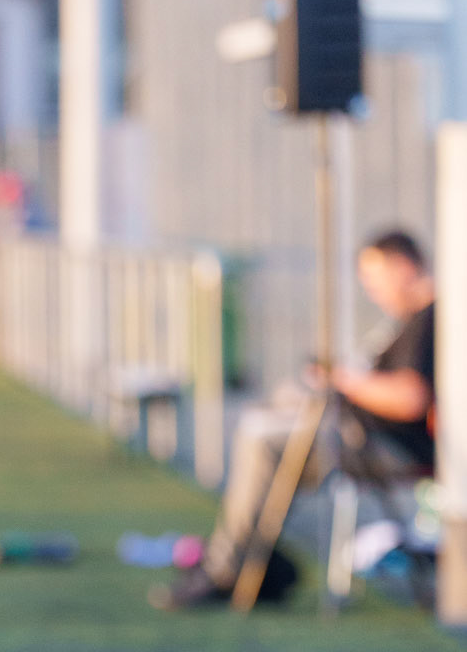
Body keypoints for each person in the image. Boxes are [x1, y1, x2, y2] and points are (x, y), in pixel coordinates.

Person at [153, 229, 435, 610]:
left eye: (374, 278)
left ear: (403, 267)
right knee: (268, 419)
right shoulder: (407, 322)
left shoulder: (430, 319)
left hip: (387, 448)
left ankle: (234, 566)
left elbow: (410, 398)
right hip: (363, 437)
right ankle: (253, 559)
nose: (371, 290)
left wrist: (343, 379)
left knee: (264, 440)